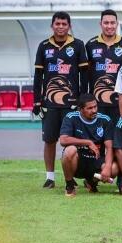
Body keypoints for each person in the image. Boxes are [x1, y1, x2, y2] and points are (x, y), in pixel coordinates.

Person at [33, 12, 89, 189]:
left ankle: (70, 177)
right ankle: (50, 178)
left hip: (71, 104)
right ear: (52, 26)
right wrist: (36, 101)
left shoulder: (78, 45)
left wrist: (82, 99)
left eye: (64, 24)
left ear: (69, 26)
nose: (61, 27)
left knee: (72, 141)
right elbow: (38, 76)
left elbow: (84, 76)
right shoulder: (43, 46)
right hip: (49, 104)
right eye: (57, 24)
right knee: (49, 140)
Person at [59, 94, 114, 197]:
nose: (94, 110)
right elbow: (63, 140)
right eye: (89, 108)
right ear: (80, 109)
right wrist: (88, 142)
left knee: (114, 168)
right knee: (69, 151)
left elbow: (109, 147)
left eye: (95, 106)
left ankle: (91, 182)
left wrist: (107, 167)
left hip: (96, 161)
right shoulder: (71, 117)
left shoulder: (105, 120)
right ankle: (70, 185)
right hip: (78, 162)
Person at [86, 9, 122, 123]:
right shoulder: (90, 45)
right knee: (97, 137)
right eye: (106, 23)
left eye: (112, 23)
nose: (109, 26)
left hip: (118, 102)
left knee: (117, 137)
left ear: (117, 24)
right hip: (96, 103)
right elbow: (85, 73)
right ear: (100, 24)